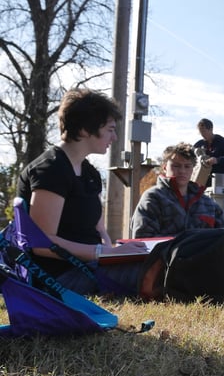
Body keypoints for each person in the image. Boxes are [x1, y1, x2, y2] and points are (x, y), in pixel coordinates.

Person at [16, 88, 147, 296]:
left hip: (89, 267)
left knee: (157, 261)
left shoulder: (89, 172)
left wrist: (117, 253)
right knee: (155, 272)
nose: (114, 137)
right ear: (86, 129)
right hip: (58, 277)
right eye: (110, 129)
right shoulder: (51, 170)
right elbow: (42, 243)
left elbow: (100, 230)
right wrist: (104, 253)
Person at [131, 142, 224, 238]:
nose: (182, 171)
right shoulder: (153, 199)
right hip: (165, 253)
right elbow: (143, 240)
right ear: (165, 167)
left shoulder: (207, 203)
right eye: (176, 166)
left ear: (193, 169)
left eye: (187, 166)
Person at [193, 118, 224, 185]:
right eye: (200, 132)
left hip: (220, 183)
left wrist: (218, 160)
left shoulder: (223, 142)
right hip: (201, 183)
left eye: (204, 131)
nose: (202, 134)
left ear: (211, 129)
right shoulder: (199, 144)